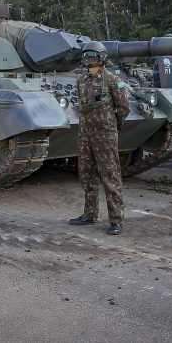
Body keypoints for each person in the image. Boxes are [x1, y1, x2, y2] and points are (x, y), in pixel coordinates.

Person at [69, 41, 131, 235]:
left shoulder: (112, 80)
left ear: (102, 58)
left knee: (110, 176)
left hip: (104, 135)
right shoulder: (82, 80)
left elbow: (124, 107)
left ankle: (116, 220)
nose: (88, 59)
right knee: (87, 175)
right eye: (86, 55)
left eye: (92, 55)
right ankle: (89, 214)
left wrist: (113, 126)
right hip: (85, 134)